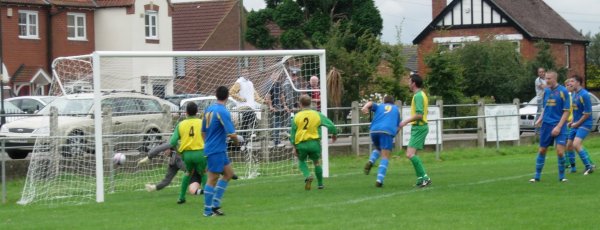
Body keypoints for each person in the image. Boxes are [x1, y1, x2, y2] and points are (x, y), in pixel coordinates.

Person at [202, 86, 238, 217]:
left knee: (228, 174)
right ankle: (207, 211)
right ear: (227, 96)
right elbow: (232, 134)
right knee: (212, 179)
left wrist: (207, 144)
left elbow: (203, 132)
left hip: (217, 149)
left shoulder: (209, 109)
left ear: (216, 95)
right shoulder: (223, 111)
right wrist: (238, 145)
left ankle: (215, 205)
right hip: (216, 149)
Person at [290, 95, 337, 190]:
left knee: (301, 161)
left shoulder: (296, 117)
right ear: (310, 103)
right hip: (314, 143)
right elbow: (331, 125)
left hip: (301, 144)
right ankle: (320, 184)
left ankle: (308, 175)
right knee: (316, 162)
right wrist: (334, 134)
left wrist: (294, 147)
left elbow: (293, 134)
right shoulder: (317, 114)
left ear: (300, 104)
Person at [530, 70, 570, 183]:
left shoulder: (563, 91)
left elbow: (566, 111)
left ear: (554, 79)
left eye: (548, 79)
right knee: (542, 150)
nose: (546, 81)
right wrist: (540, 119)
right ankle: (536, 177)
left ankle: (562, 177)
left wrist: (558, 127)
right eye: (545, 78)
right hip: (546, 125)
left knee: (560, 152)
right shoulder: (546, 91)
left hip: (559, 125)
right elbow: (545, 108)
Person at [170, 102, 207, 204]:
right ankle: (208, 197)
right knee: (204, 173)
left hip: (187, 154)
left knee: (187, 173)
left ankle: (181, 197)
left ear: (186, 112)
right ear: (197, 112)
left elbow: (172, 142)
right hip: (200, 152)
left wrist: (179, 151)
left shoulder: (180, 124)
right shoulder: (202, 122)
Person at [399, 74, 432, 188]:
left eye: (409, 81)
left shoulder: (418, 96)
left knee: (410, 154)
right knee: (414, 154)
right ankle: (420, 179)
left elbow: (419, 114)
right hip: (419, 127)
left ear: (413, 83)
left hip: (419, 127)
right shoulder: (421, 94)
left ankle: (425, 178)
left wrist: (405, 121)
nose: (408, 83)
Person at [361, 95, 401, 187]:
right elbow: (398, 126)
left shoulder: (380, 106)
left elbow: (370, 103)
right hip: (386, 131)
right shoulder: (396, 109)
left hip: (374, 130)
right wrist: (394, 134)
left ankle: (371, 161)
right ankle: (379, 180)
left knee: (379, 148)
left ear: (384, 101)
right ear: (393, 102)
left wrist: (365, 107)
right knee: (385, 156)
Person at [139, 143, 206, 195]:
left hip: (202, 169)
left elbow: (160, 148)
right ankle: (207, 192)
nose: (164, 152)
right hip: (193, 175)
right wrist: (154, 187)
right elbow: (167, 180)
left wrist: (149, 157)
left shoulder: (178, 148)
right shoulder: (173, 162)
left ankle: (211, 189)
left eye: (165, 150)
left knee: (210, 180)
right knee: (193, 191)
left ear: (169, 148)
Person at [565, 75, 595, 175]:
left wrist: (577, 123)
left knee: (576, 144)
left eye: (572, 81)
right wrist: (572, 121)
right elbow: (576, 111)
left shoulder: (585, 95)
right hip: (576, 124)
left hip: (585, 124)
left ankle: (589, 166)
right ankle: (573, 168)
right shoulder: (574, 95)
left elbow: (587, 114)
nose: (570, 84)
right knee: (569, 145)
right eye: (569, 82)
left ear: (578, 83)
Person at [229, 68, 264, 141]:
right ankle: (255, 131)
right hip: (242, 107)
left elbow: (256, 96)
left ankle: (242, 140)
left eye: (247, 72)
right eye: (244, 72)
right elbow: (231, 92)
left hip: (250, 107)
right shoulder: (239, 82)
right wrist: (241, 98)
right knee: (251, 114)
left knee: (245, 123)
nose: (246, 73)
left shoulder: (250, 83)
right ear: (241, 73)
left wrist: (263, 101)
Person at [266, 73, 286, 148]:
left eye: (277, 75)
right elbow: (268, 96)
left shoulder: (278, 84)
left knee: (278, 124)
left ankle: (277, 141)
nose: (276, 77)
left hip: (278, 107)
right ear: (271, 76)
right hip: (271, 108)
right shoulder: (270, 84)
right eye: (275, 75)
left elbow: (282, 95)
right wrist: (270, 106)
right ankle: (275, 142)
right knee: (274, 124)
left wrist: (284, 105)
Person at [534, 68, 547, 133]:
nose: (541, 73)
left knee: (546, 112)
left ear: (545, 72)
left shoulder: (546, 79)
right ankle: (537, 130)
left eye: (542, 72)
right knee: (539, 113)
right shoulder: (538, 80)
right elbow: (543, 87)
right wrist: (550, 85)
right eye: (540, 72)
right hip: (540, 98)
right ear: (538, 73)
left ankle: (544, 129)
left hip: (546, 98)